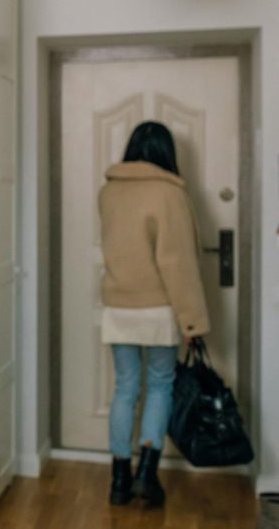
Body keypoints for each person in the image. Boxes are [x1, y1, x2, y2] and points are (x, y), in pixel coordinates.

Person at [98, 121, 210, 508]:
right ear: (166, 152)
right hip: (159, 309)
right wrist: (192, 321)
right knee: (160, 386)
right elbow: (177, 264)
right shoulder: (169, 194)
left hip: (118, 306)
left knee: (125, 389)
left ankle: (117, 482)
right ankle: (146, 474)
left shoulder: (108, 192)